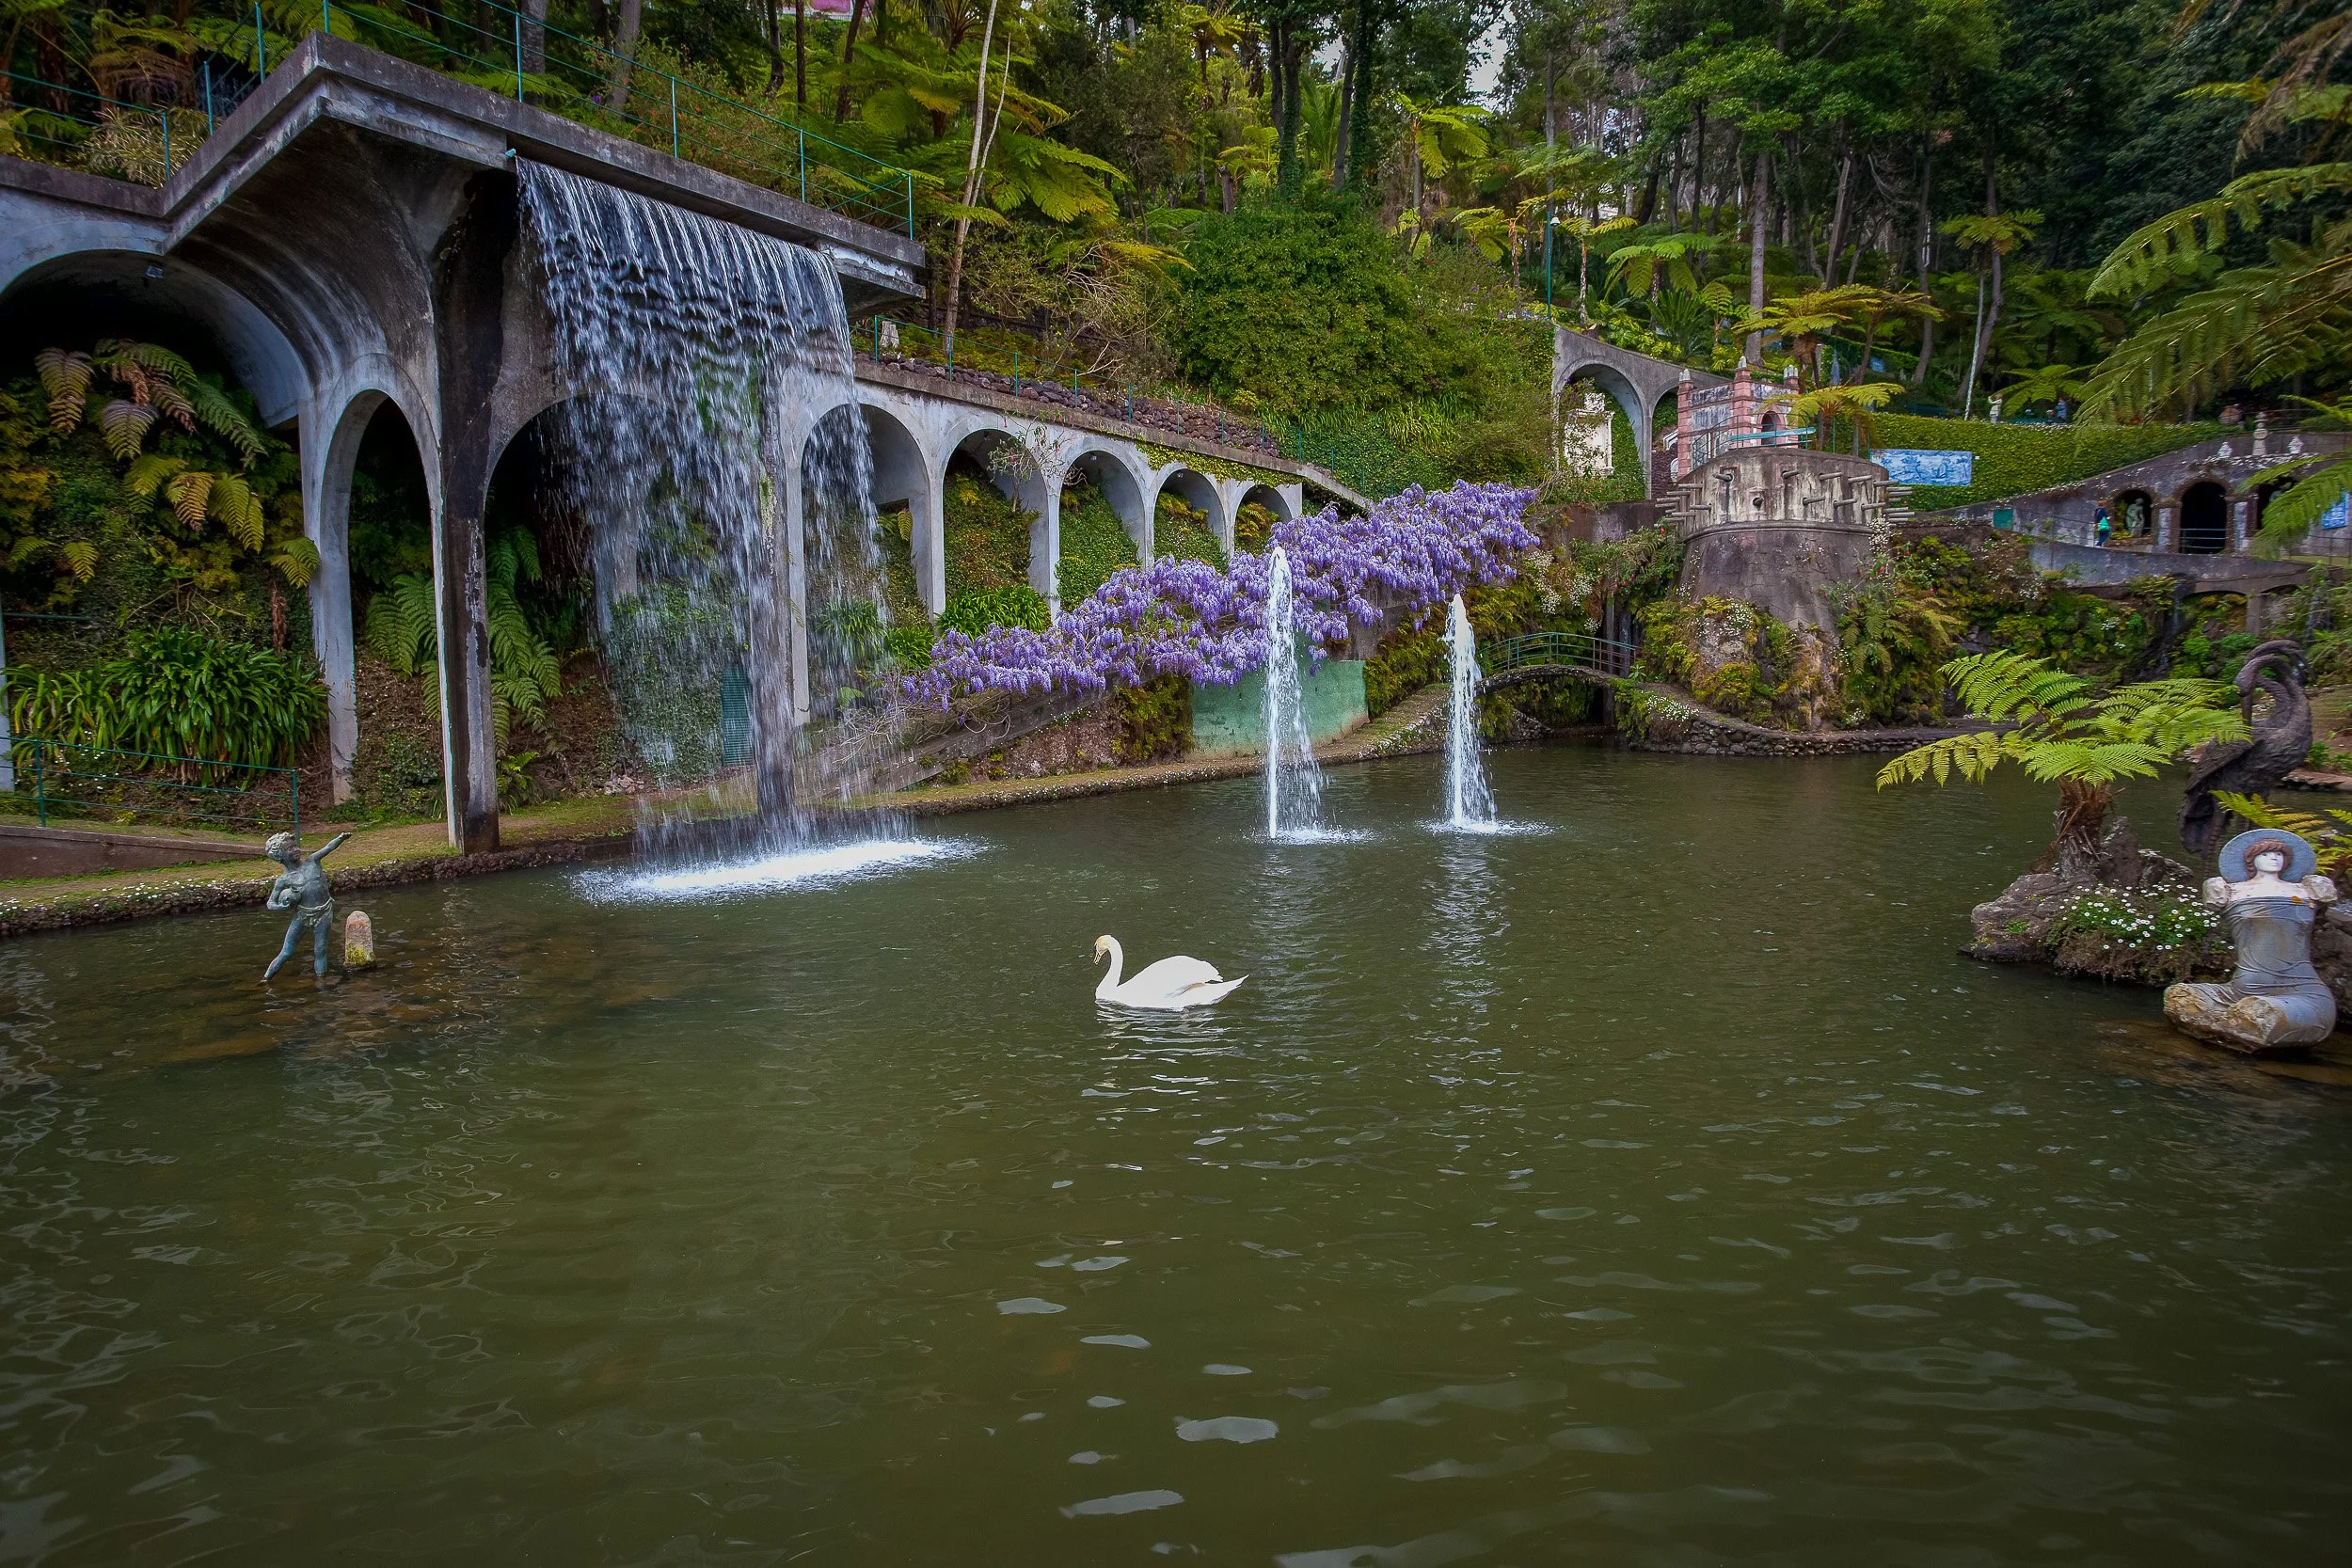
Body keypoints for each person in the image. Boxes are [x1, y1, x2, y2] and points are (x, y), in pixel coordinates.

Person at [262, 830, 353, 980]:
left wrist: (340, 838)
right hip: (302, 915)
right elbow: (270, 903)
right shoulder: (284, 880)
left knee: (321, 949)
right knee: (286, 951)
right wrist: (281, 907)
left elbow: (329, 847)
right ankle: (266, 978)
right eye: (290, 849)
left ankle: (321, 981)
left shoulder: (312, 861)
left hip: (324, 912)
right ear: (280, 856)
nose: (296, 850)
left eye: (295, 846)